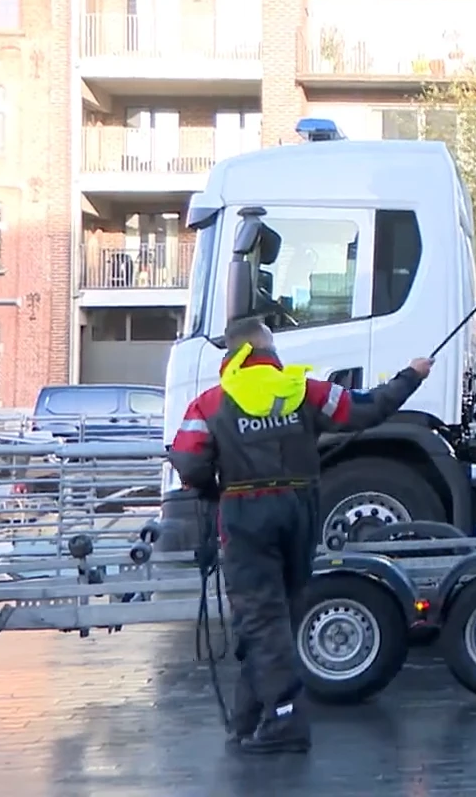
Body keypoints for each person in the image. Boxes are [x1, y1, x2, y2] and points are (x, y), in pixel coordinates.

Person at [168, 316, 432, 754]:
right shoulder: (304, 389)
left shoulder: (211, 403)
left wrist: (213, 490)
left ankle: (285, 720)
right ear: (270, 353)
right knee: (280, 614)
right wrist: (412, 375)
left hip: (245, 511)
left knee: (259, 616)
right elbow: (365, 409)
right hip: (300, 508)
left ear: (233, 355)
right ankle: (250, 715)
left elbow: (189, 461)